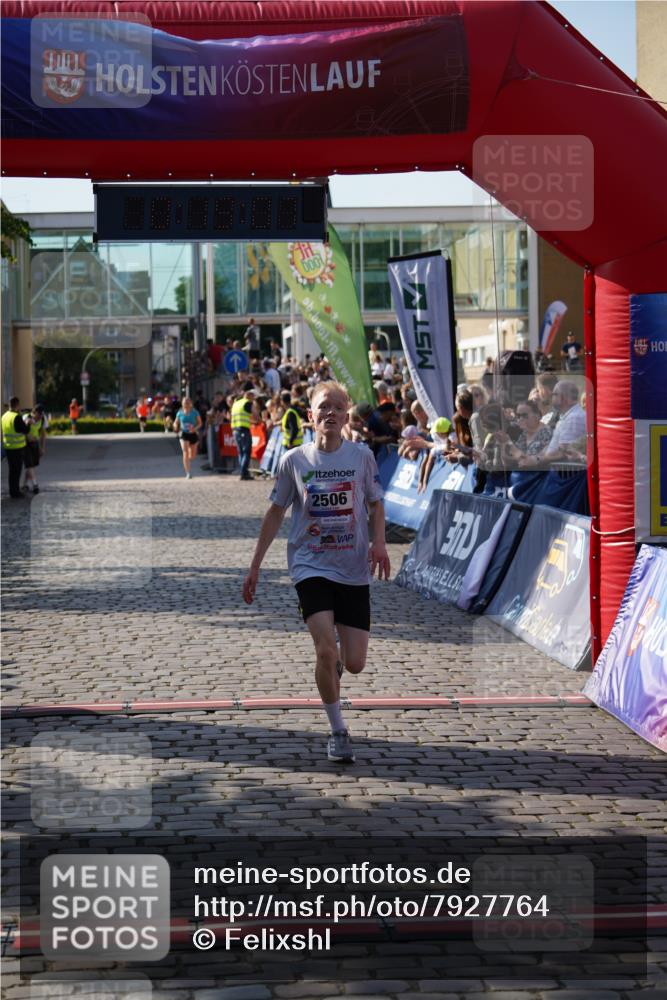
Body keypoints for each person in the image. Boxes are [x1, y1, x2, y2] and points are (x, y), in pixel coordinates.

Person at [243, 382, 390, 763]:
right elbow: (276, 512)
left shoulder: (361, 457)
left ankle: (337, 664)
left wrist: (379, 543)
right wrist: (255, 565)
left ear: (346, 416)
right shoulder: (295, 460)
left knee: (354, 663)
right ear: (311, 415)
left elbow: (376, 505)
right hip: (310, 566)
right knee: (325, 649)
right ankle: (338, 731)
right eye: (323, 407)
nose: (330, 413)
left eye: (337, 407)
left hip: (353, 568)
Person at [1, 396, 28, 499]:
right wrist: (28, 423)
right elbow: (24, 430)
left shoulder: (4, 416)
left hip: (7, 446)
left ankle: (12, 491)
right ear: (17, 405)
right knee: (16, 471)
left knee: (12, 471)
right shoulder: (16, 417)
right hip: (17, 448)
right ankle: (15, 492)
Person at [231, 382, 256, 480]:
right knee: (246, 452)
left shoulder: (236, 403)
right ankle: (243, 473)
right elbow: (255, 416)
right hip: (244, 430)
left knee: (241, 452)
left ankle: (244, 472)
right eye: (252, 394)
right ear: (249, 393)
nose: (253, 396)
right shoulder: (247, 403)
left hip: (235, 430)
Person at [173, 396, 202, 479]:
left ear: (191, 403)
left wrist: (194, 429)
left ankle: (189, 458)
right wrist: (175, 425)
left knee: (192, 456)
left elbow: (200, 423)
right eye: (185, 402)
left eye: (188, 402)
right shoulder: (180, 413)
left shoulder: (195, 412)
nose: (186, 403)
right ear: (182, 403)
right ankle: (188, 473)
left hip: (193, 434)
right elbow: (176, 422)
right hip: (183, 433)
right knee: (185, 452)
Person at [23, 403, 48, 494]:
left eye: (42, 414)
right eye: (39, 414)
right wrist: (27, 435)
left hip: (35, 444)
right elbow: (20, 429)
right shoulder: (26, 417)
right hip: (25, 444)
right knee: (29, 465)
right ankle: (35, 485)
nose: (40, 416)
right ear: (35, 412)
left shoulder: (43, 419)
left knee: (31, 465)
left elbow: (43, 434)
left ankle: (25, 485)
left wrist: (42, 448)